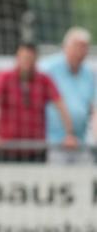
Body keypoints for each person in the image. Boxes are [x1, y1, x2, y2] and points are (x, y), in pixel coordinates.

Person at [0, 43, 77, 162]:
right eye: (23, 58)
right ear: (17, 58)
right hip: (7, 148)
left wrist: (69, 134)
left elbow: (61, 105)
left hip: (36, 149)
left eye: (30, 59)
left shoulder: (44, 80)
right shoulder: (5, 78)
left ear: (35, 59)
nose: (26, 62)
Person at [41, 27, 94, 164]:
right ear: (66, 47)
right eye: (78, 47)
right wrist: (67, 134)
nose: (82, 52)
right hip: (54, 142)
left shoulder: (88, 74)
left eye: (85, 48)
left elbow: (93, 107)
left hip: (80, 142)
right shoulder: (48, 69)